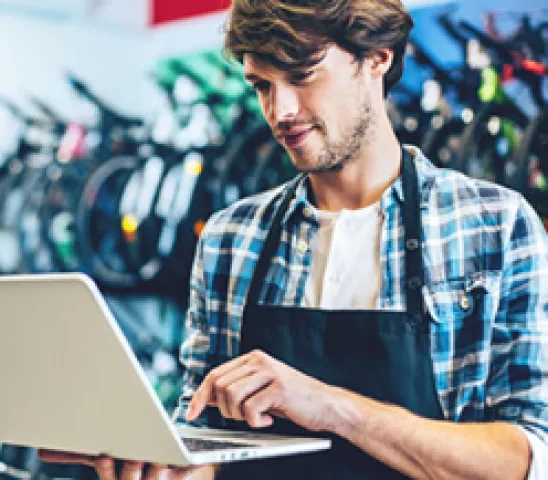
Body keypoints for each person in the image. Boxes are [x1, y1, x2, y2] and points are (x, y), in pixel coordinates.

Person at [40, 0, 548, 478]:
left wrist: (332, 408)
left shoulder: (495, 227)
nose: (280, 111)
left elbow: (526, 461)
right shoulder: (230, 238)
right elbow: (204, 440)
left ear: (376, 59)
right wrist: (163, 464)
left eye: (302, 76)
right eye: (261, 85)